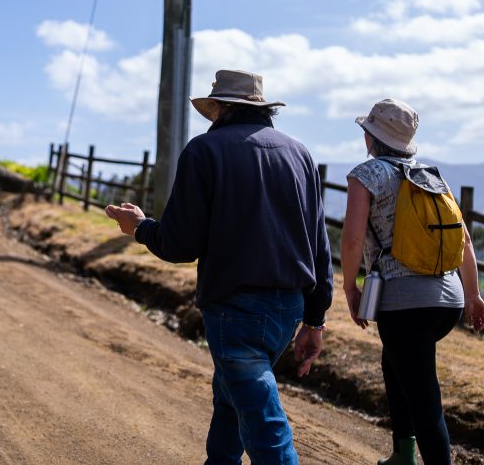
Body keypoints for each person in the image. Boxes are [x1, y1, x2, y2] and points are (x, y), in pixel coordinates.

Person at [105, 69, 332, 465]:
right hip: (290, 308)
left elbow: (179, 244)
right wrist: (315, 321)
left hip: (235, 308)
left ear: (221, 108)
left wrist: (139, 227)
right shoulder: (300, 154)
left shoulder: (204, 151)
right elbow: (319, 246)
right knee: (232, 401)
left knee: (265, 428)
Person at [340, 99, 484, 465]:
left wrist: (349, 287)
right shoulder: (432, 176)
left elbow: (352, 240)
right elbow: (465, 240)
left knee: (424, 398)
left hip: (404, 303)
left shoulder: (366, 175)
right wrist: (473, 296)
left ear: (371, 138)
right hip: (447, 300)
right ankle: (402, 455)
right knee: (396, 364)